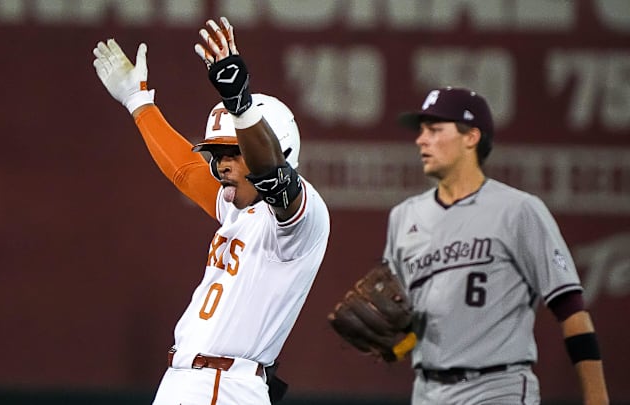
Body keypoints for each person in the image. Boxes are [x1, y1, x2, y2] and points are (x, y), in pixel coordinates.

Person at [92, 17, 330, 405]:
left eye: (233, 152)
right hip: (190, 380)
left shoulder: (301, 218)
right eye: (217, 154)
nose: (221, 165)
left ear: (278, 147)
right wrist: (139, 103)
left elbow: (272, 174)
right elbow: (186, 171)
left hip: (224, 384)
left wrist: (241, 105)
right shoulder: (237, 209)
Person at [382, 87, 609, 404]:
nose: (421, 140)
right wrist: (393, 345)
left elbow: (571, 309)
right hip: (428, 391)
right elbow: (410, 327)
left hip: (497, 387)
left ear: (471, 137)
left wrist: (597, 397)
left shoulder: (518, 210)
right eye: (421, 131)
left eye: (434, 130)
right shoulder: (403, 217)